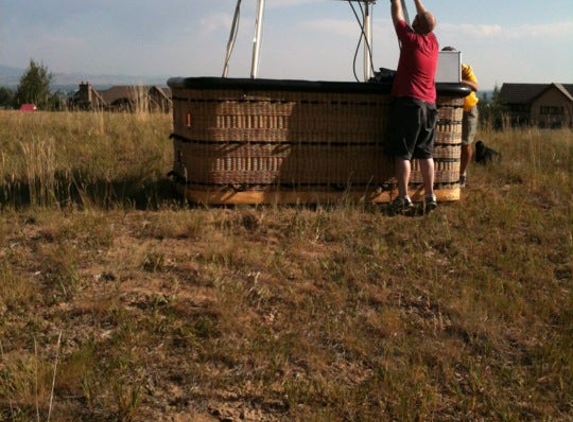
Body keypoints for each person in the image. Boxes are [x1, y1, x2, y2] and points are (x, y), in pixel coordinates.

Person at [387, 0, 439, 215]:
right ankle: (430, 196)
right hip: (429, 104)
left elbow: (397, 15)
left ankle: (403, 197)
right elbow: (425, 17)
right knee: (426, 154)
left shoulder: (410, 40)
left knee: (404, 153)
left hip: (410, 104)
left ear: (416, 25)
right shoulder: (433, 42)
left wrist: (395, 0)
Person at [442, 46, 479, 187]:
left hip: (467, 110)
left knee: (465, 143)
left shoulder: (465, 69)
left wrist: (457, 80)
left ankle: (461, 174)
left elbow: (475, 86)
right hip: (447, 109)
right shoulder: (439, 70)